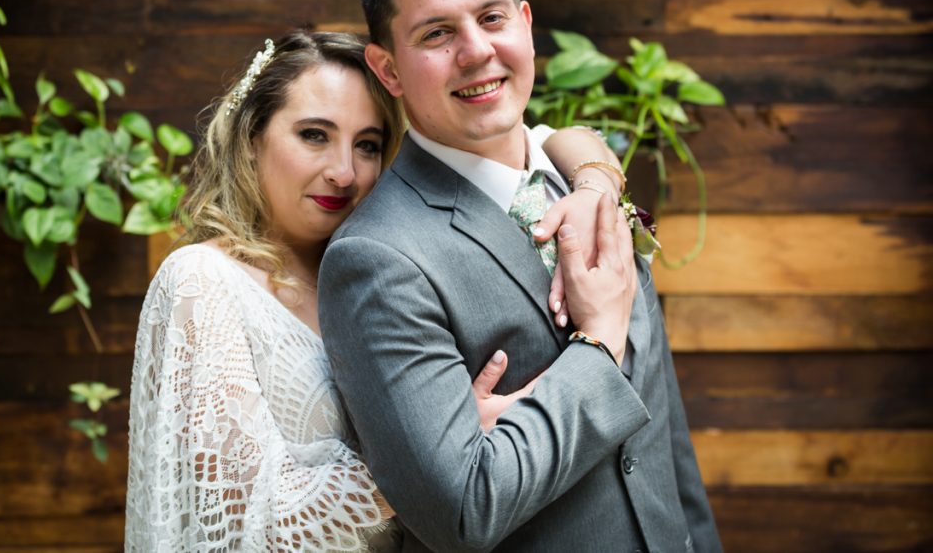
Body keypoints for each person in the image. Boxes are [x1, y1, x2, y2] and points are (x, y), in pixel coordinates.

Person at [124, 30, 618, 551]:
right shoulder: (202, 281)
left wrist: (595, 180)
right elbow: (243, 521)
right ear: (252, 139)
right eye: (314, 135)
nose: (344, 173)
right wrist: (434, 455)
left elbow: (548, 138)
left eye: (367, 145)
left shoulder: (381, 270)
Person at [317, 0, 723, 552]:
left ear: (526, 24)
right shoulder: (376, 258)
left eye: (491, 18)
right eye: (437, 33)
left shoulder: (587, 182)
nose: (476, 51)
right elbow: (462, 513)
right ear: (388, 69)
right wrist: (599, 344)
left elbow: (661, 437)